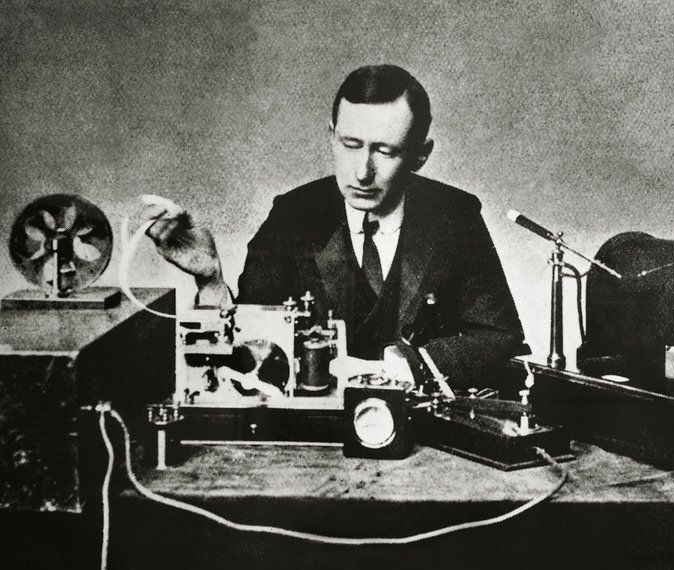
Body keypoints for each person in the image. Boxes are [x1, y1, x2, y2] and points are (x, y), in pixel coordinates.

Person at [144, 64, 524, 387]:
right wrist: (210, 279)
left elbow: (498, 335)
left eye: (385, 150)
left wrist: (404, 369)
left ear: (420, 155)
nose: (362, 172)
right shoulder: (292, 215)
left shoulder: (455, 216)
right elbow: (251, 347)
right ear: (331, 135)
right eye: (350, 144)